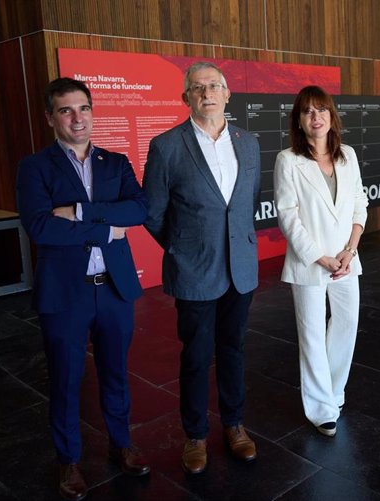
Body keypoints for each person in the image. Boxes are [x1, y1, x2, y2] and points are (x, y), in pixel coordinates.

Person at [16, 77, 150, 501]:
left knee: (115, 373)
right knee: (66, 379)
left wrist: (78, 212)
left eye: (84, 108)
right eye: (66, 110)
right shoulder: (35, 167)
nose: (78, 118)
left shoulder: (115, 162)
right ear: (51, 117)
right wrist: (107, 231)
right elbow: (40, 227)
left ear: (93, 111)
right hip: (65, 295)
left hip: (113, 289)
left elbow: (139, 209)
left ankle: (121, 444)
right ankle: (69, 459)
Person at [142, 61, 261, 473]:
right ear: (186, 98)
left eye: (214, 85)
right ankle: (194, 435)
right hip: (194, 271)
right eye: (197, 87)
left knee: (233, 350)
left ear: (228, 94)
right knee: (195, 356)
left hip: (240, 270)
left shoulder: (249, 143)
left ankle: (234, 425)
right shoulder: (167, 146)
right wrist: (181, 249)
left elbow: (244, 206)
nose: (207, 92)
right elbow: (153, 213)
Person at [273, 86, 368, 437]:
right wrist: (321, 257)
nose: (316, 117)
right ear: (299, 120)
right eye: (308, 111)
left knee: (346, 324)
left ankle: (333, 392)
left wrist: (350, 250)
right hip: (310, 261)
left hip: (346, 259)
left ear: (332, 116)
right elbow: (288, 216)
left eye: (322, 110)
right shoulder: (288, 161)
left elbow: (360, 204)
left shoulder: (349, 157)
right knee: (311, 333)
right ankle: (319, 409)